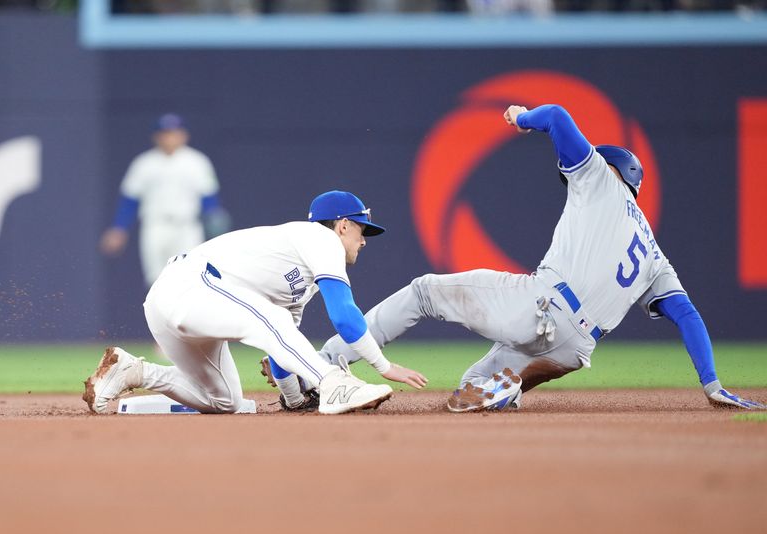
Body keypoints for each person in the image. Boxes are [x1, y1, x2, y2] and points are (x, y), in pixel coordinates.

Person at [306, 104, 766, 413]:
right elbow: (686, 314)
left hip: (542, 304)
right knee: (466, 394)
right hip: (574, 350)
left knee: (424, 291)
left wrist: (524, 116)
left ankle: (326, 363)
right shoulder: (654, 254)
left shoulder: (601, 180)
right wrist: (711, 382)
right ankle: (504, 390)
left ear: (611, 169)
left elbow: (559, 118)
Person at [83, 190, 428, 415]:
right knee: (270, 319)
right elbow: (345, 316)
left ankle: (134, 370)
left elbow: (283, 343)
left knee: (225, 401)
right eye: (361, 230)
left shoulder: (302, 281)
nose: (364, 241)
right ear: (341, 226)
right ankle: (335, 385)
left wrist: (293, 396)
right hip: (189, 285)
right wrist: (383, 366)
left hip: (179, 304)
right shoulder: (318, 238)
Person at [99, 113, 230, 287]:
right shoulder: (144, 163)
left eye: (175, 132)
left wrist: (216, 227)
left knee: (189, 278)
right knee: (156, 281)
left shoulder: (197, 161)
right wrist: (119, 228)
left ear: (184, 135)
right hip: (155, 226)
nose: (170, 137)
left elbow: (209, 199)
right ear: (156, 136)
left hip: (187, 227)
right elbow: (130, 200)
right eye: (165, 133)